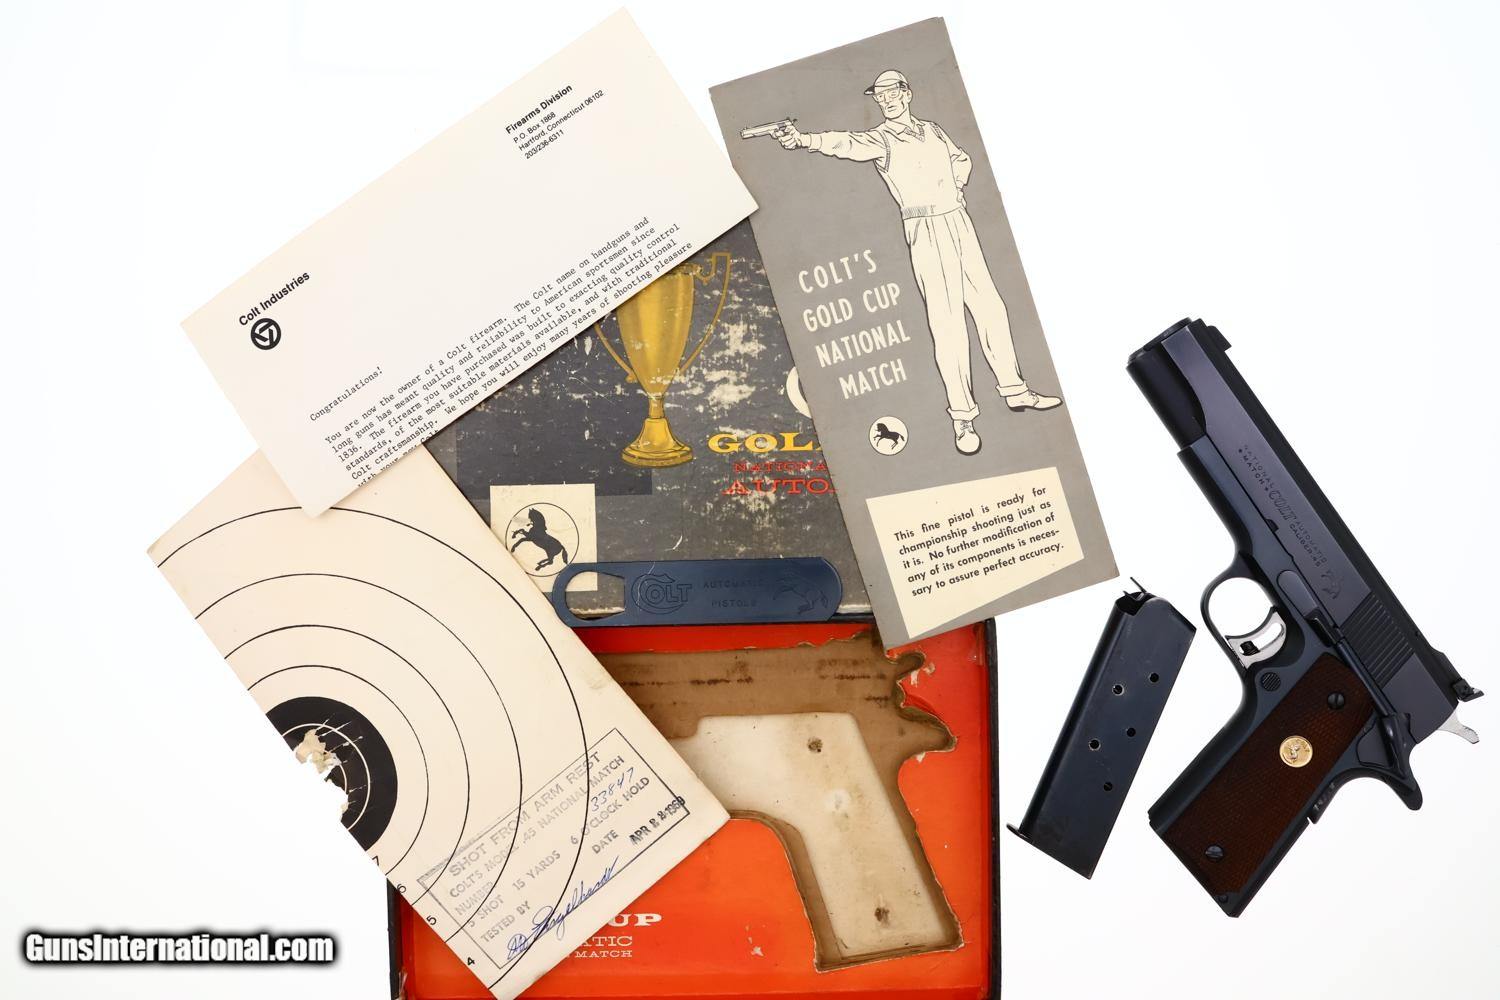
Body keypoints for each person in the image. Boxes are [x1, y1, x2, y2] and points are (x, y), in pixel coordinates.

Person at [774, 70, 1060, 455]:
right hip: (925, 229)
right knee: (947, 322)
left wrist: (955, 186)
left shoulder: (933, 130)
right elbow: (846, 143)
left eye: (892, 93)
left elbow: (960, 159)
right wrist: (803, 139)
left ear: (906, 94)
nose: (886, 100)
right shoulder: (882, 138)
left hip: (958, 221)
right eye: (880, 96)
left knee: (991, 308)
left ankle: (1015, 390)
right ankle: (963, 417)